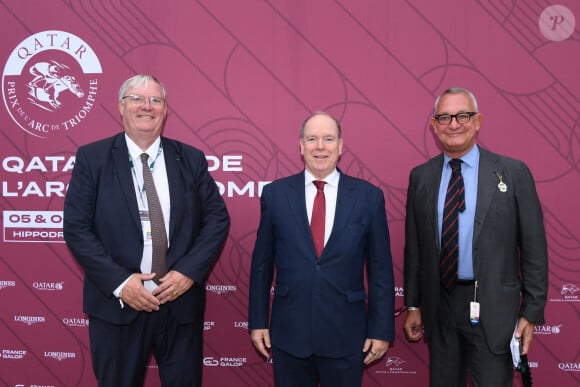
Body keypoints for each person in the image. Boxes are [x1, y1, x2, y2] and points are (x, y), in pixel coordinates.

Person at [63, 74, 230, 387]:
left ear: (165, 111)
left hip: (178, 302)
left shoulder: (190, 159)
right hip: (118, 305)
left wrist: (187, 274)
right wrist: (121, 283)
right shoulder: (93, 158)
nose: (147, 106)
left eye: (156, 100)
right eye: (137, 99)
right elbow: (76, 227)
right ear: (121, 107)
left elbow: (217, 219)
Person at [403, 87, 548, 387]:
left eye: (463, 115)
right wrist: (414, 305)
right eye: (444, 117)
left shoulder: (513, 173)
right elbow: (415, 249)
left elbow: (534, 248)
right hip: (439, 308)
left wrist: (531, 312)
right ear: (434, 125)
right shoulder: (421, 177)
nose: (454, 124)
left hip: (494, 309)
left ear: (478, 121)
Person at [249, 112, 395, 387]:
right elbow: (261, 265)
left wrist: (381, 330)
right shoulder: (275, 195)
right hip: (290, 334)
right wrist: (258, 321)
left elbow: (381, 271)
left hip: (347, 336)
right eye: (312, 139)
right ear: (301, 146)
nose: (320, 146)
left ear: (340, 146)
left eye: (328, 139)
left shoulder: (368, 197)